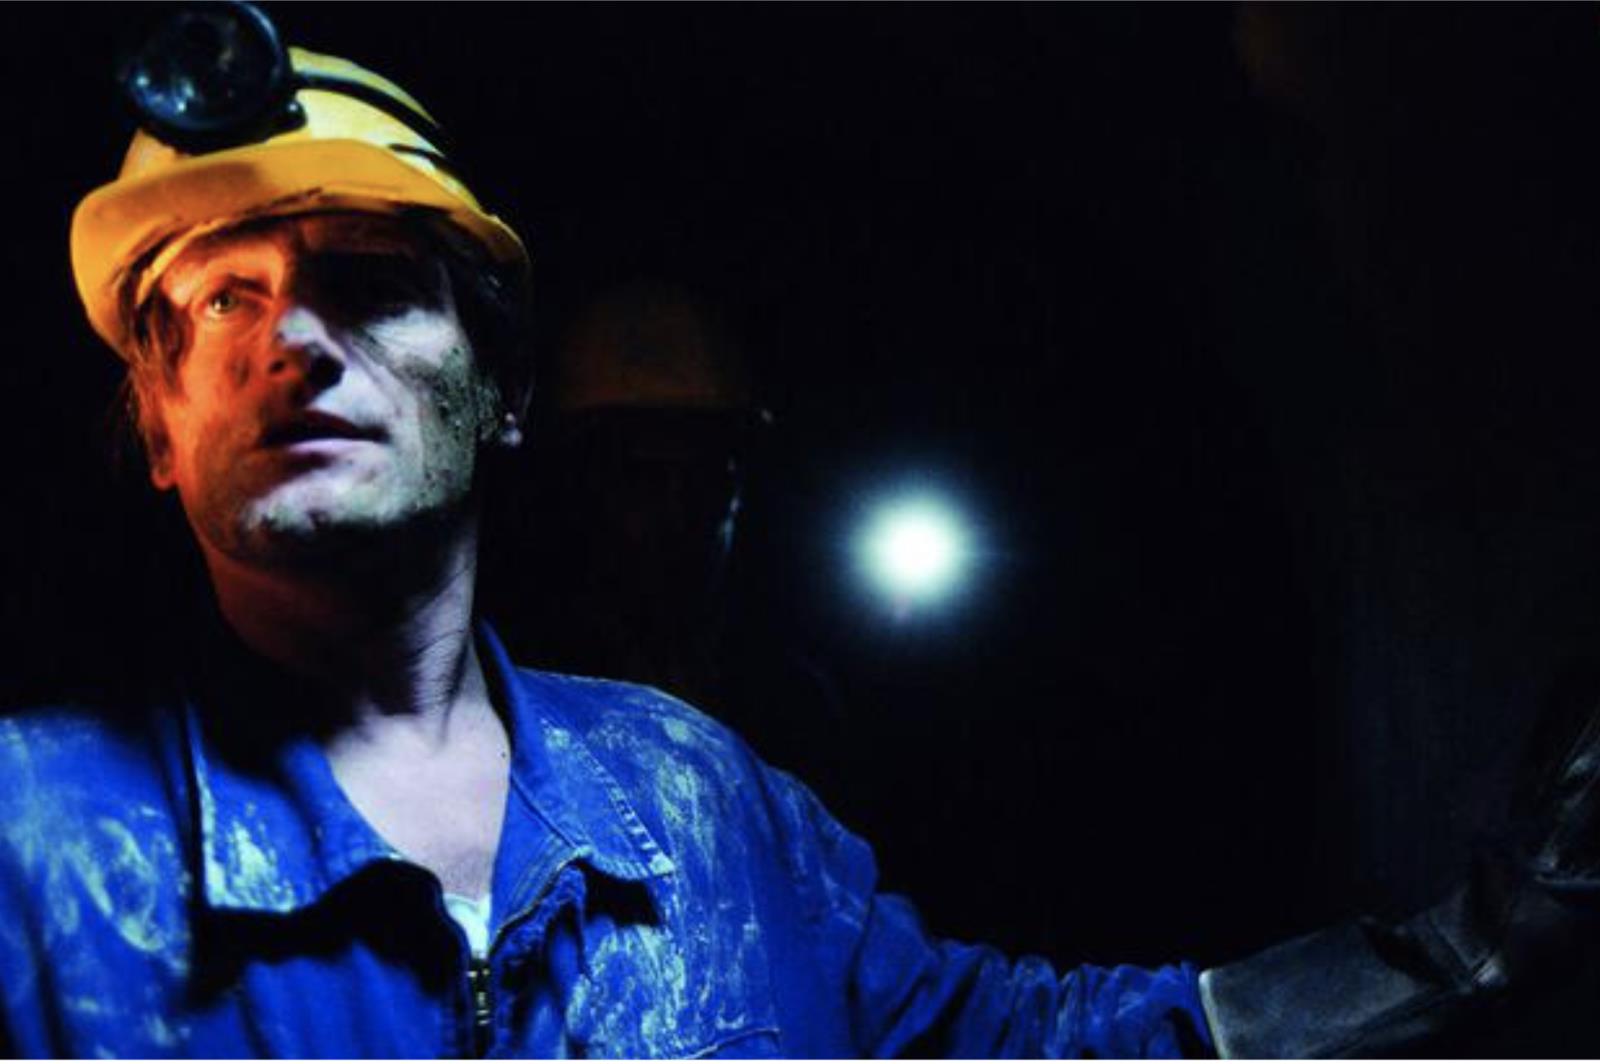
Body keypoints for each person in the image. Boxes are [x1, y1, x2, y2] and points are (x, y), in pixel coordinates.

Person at [3, 5, 1597, 1057]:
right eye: (220, 301)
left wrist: (1474, 956)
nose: (292, 339)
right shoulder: (37, 848)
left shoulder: (697, 796)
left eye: (368, 281)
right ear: (155, 431)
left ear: (500, 394)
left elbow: (1004, 1043)